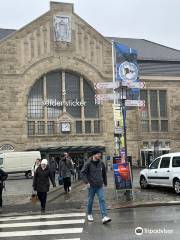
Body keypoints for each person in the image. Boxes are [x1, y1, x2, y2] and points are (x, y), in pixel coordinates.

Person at [81, 150, 111, 224]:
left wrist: (105, 182)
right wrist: (86, 182)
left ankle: (104, 216)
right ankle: (89, 214)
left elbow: (104, 173)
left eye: (100, 154)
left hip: (99, 185)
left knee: (102, 199)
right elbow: (82, 173)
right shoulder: (88, 163)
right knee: (90, 201)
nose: (99, 155)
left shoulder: (101, 163)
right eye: (98, 154)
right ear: (94, 155)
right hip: (91, 186)